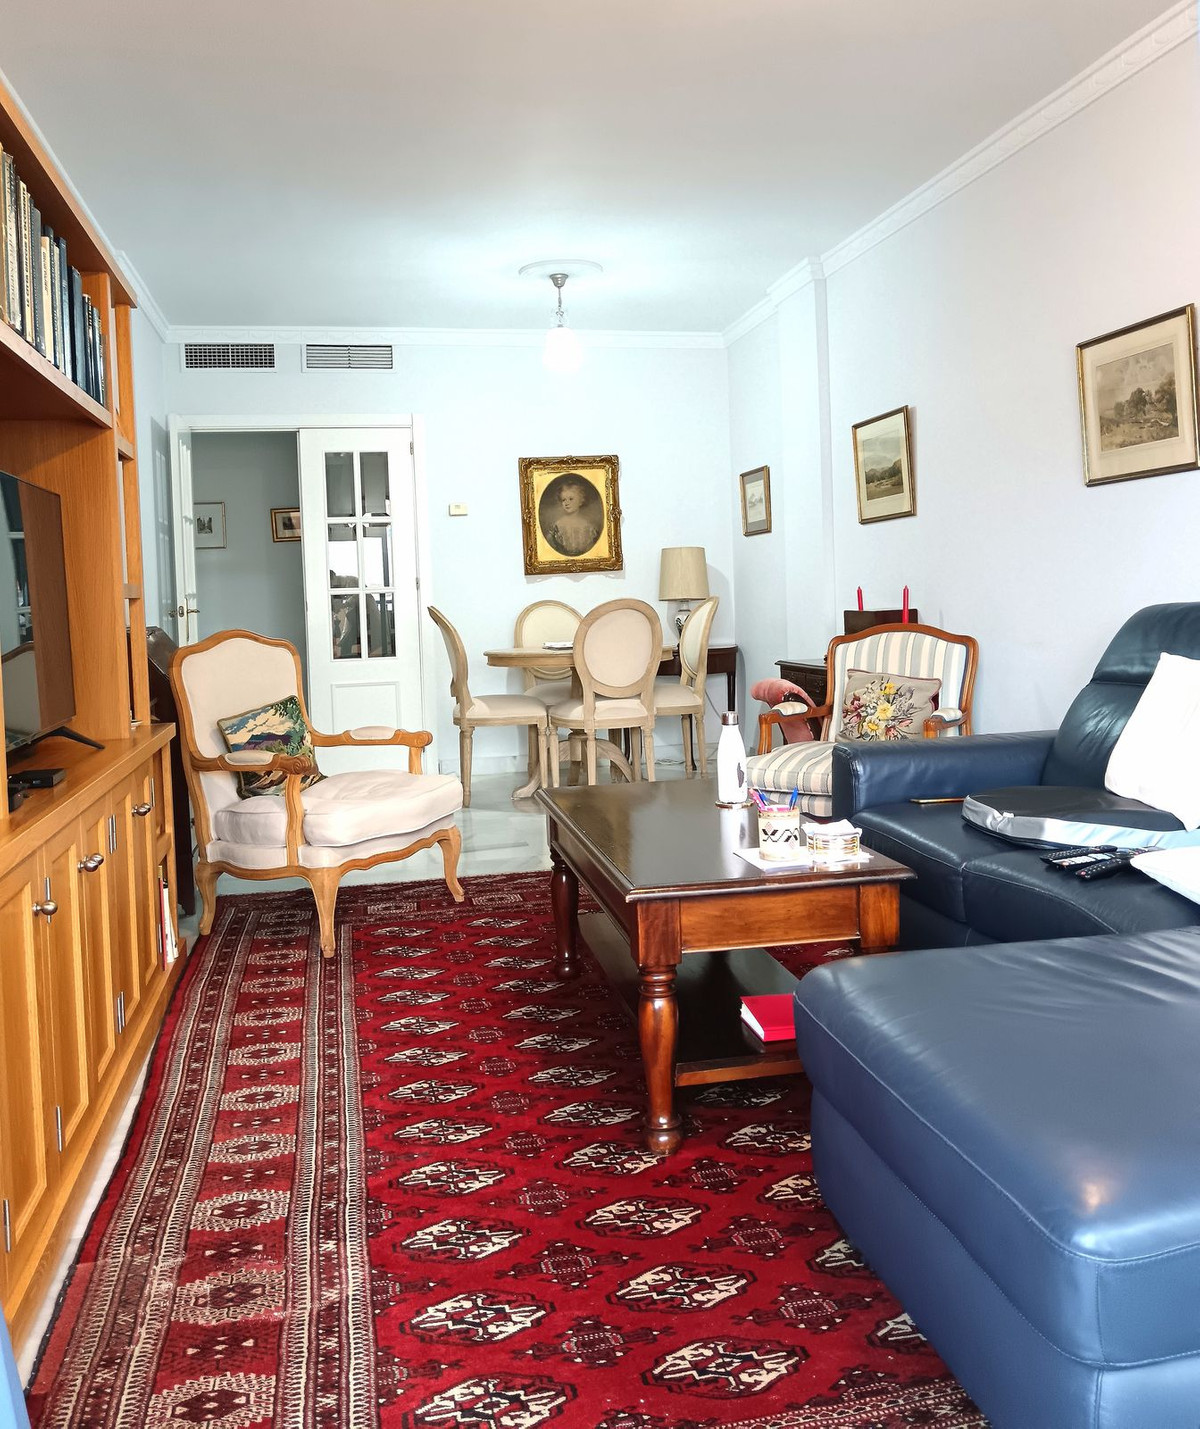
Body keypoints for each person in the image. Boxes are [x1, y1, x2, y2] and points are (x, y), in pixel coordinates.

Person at [544, 475, 601, 556]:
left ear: (581, 501)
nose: (567, 503)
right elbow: (550, 549)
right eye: (563, 500)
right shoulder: (557, 525)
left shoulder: (588, 526)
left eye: (571, 499)